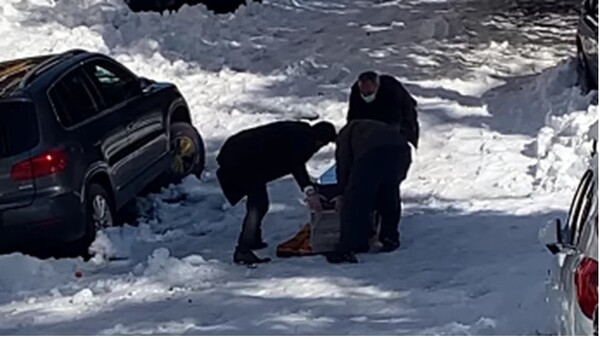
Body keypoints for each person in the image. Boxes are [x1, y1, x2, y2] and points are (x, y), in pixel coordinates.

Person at [216, 120, 337, 265]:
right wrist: (308, 189)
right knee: (258, 205)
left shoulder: (300, 131)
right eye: (322, 144)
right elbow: (296, 164)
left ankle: (253, 238)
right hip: (242, 161)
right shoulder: (304, 140)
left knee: (258, 203)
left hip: (239, 153)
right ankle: (243, 250)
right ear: (319, 140)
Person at [327, 119, 412, 264]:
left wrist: (341, 192)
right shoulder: (367, 128)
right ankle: (389, 237)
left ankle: (347, 248)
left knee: (355, 200)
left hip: (373, 154)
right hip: (401, 151)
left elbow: (344, 167)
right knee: (389, 193)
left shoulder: (344, 137)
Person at [347, 70, 419, 149]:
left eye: (369, 92)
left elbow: (396, 119)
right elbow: (352, 117)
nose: (366, 95)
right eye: (363, 92)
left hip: (403, 114)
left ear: (377, 86)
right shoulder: (356, 91)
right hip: (372, 114)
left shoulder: (391, 89)